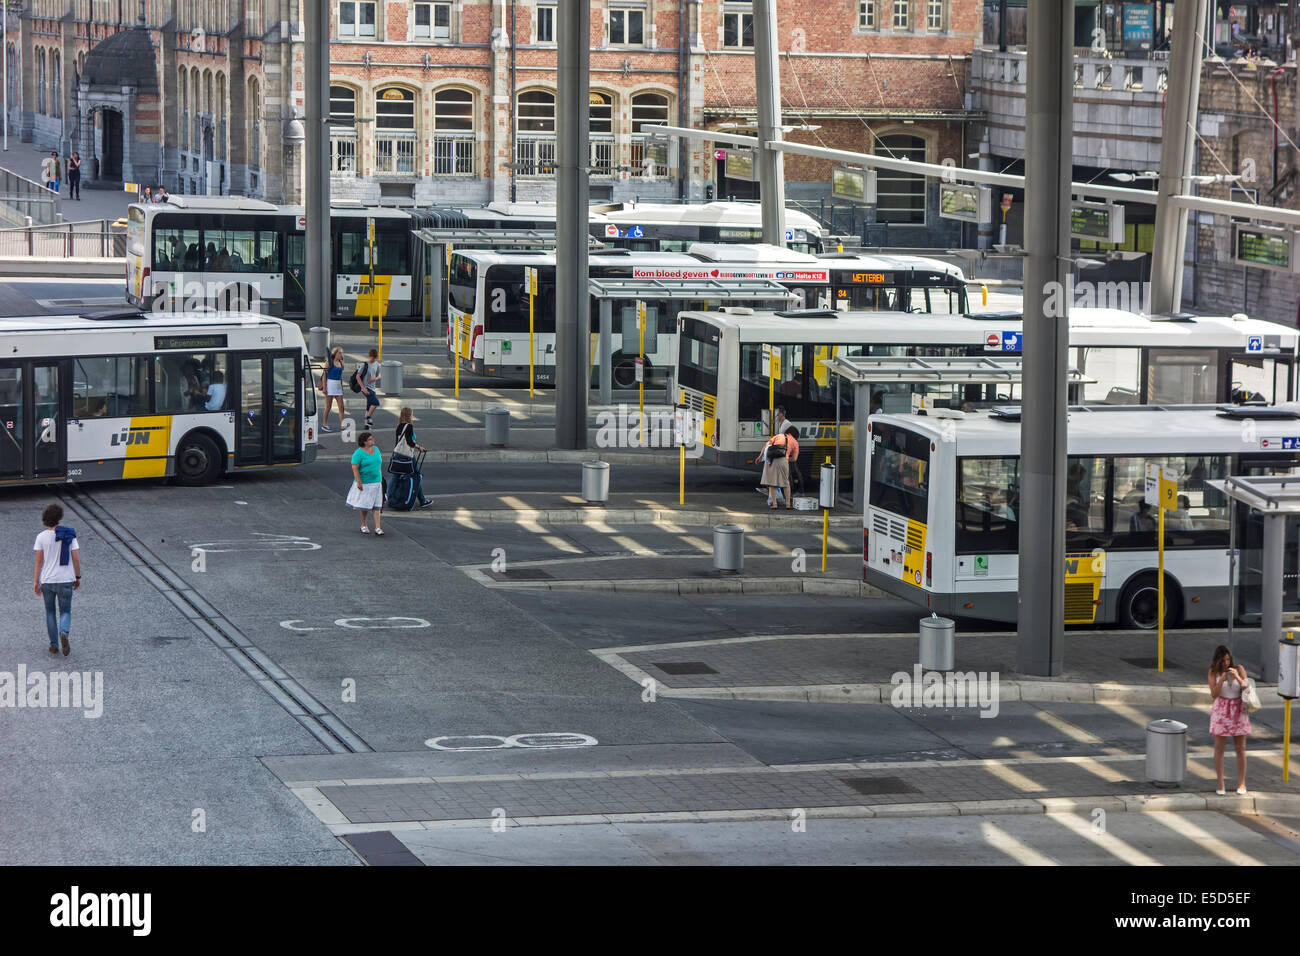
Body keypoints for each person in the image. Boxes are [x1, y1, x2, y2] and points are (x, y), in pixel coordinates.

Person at [33, 502, 81, 656]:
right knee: (65, 611)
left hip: (47, 580)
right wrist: (78, 576)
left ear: (45, 519)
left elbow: (39, 562)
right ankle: (64, 632)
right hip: (66, 579)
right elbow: (76, 559)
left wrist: (36, 581)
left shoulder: (41, 537)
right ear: (59, 518)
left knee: (50, 612)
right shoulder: (69, 535)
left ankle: (54, 645)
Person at [1208, 645, 1251, 795]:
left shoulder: (1239, 668)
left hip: (1238, 709)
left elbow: (1247, 689)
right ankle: (1220, 784)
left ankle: (1242, 783)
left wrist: (1237, 677)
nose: (1226, 663)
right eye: (1222, 660)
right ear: (1218, 660)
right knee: (1219, 748)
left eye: (1227, 659)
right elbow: (1214, 694)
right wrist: (1222, 680)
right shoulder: (1213, 671)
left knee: (1241, 748)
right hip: (1222, 709)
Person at [393, 407, 433, 508]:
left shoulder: (399, 426)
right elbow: (410, 442)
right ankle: (422, 500)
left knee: (395, 476)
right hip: (407, 456)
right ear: (409, 415)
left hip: (398, 454)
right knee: (416, 476)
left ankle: (390, 498)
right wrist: (419, 447)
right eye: (412, 414)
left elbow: (397, 443)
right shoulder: (409, 426)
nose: (412, 416)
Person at [348, 431, 385, 535]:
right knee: (364, 505)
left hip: (376, 482)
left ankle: (378, 527)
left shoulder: (376, 449)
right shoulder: (358, 453)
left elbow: (379, 464)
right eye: (370, 439)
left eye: (372, 438)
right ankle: (364, 524)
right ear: (364, 442)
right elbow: (354, 468)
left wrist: (381, 479)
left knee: (377, 505)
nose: (372, 440)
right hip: (365, 483)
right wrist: (359, 482)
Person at [756, 405, 794, 500]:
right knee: (779, 476)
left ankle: (790, 496)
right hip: (779, 452)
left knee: (785, 477)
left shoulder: (786, 425)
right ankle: (779, 498)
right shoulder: (780, 424)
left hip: (784, 453)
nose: (775, 417)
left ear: (781, 414)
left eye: (777, 414)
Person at [761, 428, 799, 510]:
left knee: (773, 483)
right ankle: (788, 504)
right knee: (786, 482)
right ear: (795, 435)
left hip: (772, 459)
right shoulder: (795, 442)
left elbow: (766, 445)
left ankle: (774, 504)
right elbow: (794, 459)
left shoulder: (779, 436)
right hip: (783, 460)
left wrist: (760, 456)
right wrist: (787, 457)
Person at [319, 347, 347, 432]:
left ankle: (342, 424)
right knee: (328, 406)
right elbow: (324, 375)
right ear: (335, 354)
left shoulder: (341, 363)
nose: (341, 354)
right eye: (339, 353)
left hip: (338, 386)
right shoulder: (329, 363)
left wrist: (341, 387)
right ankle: (324, 424)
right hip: (330, 385)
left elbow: (340, 376)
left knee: (341, 407)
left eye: (342, 353)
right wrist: (324, 387)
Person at [362, 348, 381, 429]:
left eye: (375, 358)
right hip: (366, 388)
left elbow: (379, 375)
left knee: (368, 406)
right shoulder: (365, 365)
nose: (373, 360)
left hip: (373, 388)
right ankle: (368, 417)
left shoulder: (377, 364)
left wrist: (374, 379)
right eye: (372, 358)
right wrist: (363, 388)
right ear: (369, 356)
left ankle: (366, 425)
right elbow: (358, 376)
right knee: (376, 403)